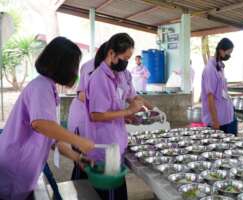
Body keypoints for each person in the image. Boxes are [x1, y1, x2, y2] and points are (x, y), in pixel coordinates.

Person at [0, 37, 95, 200]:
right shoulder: (41, 86)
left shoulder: (47, 87)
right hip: (14, 167)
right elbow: (41, 125)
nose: (74, 70)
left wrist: (77, 157)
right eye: (74, 65)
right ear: (62, 64)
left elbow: (52, 137)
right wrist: (80, 141)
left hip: (24, 169)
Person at [71, 33, 152, 200]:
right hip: (103, 142)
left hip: (114, 140)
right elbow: (96, 114)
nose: (126, 62)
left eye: (129, 58)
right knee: (105, 190)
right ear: (111, 53)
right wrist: (128, 111)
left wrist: (128, 116)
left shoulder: (117, 74)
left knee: (116, 190)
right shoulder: (98, 76)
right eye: (124, 58)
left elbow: (121, 101)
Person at [201, 38, 237, 134]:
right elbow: (210, 96)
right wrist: (215, 121)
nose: (229, 56)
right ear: (221, 50)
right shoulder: (210, 69)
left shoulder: (219, 66)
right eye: (228, 53)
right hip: (217, 120)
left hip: (225, 118)